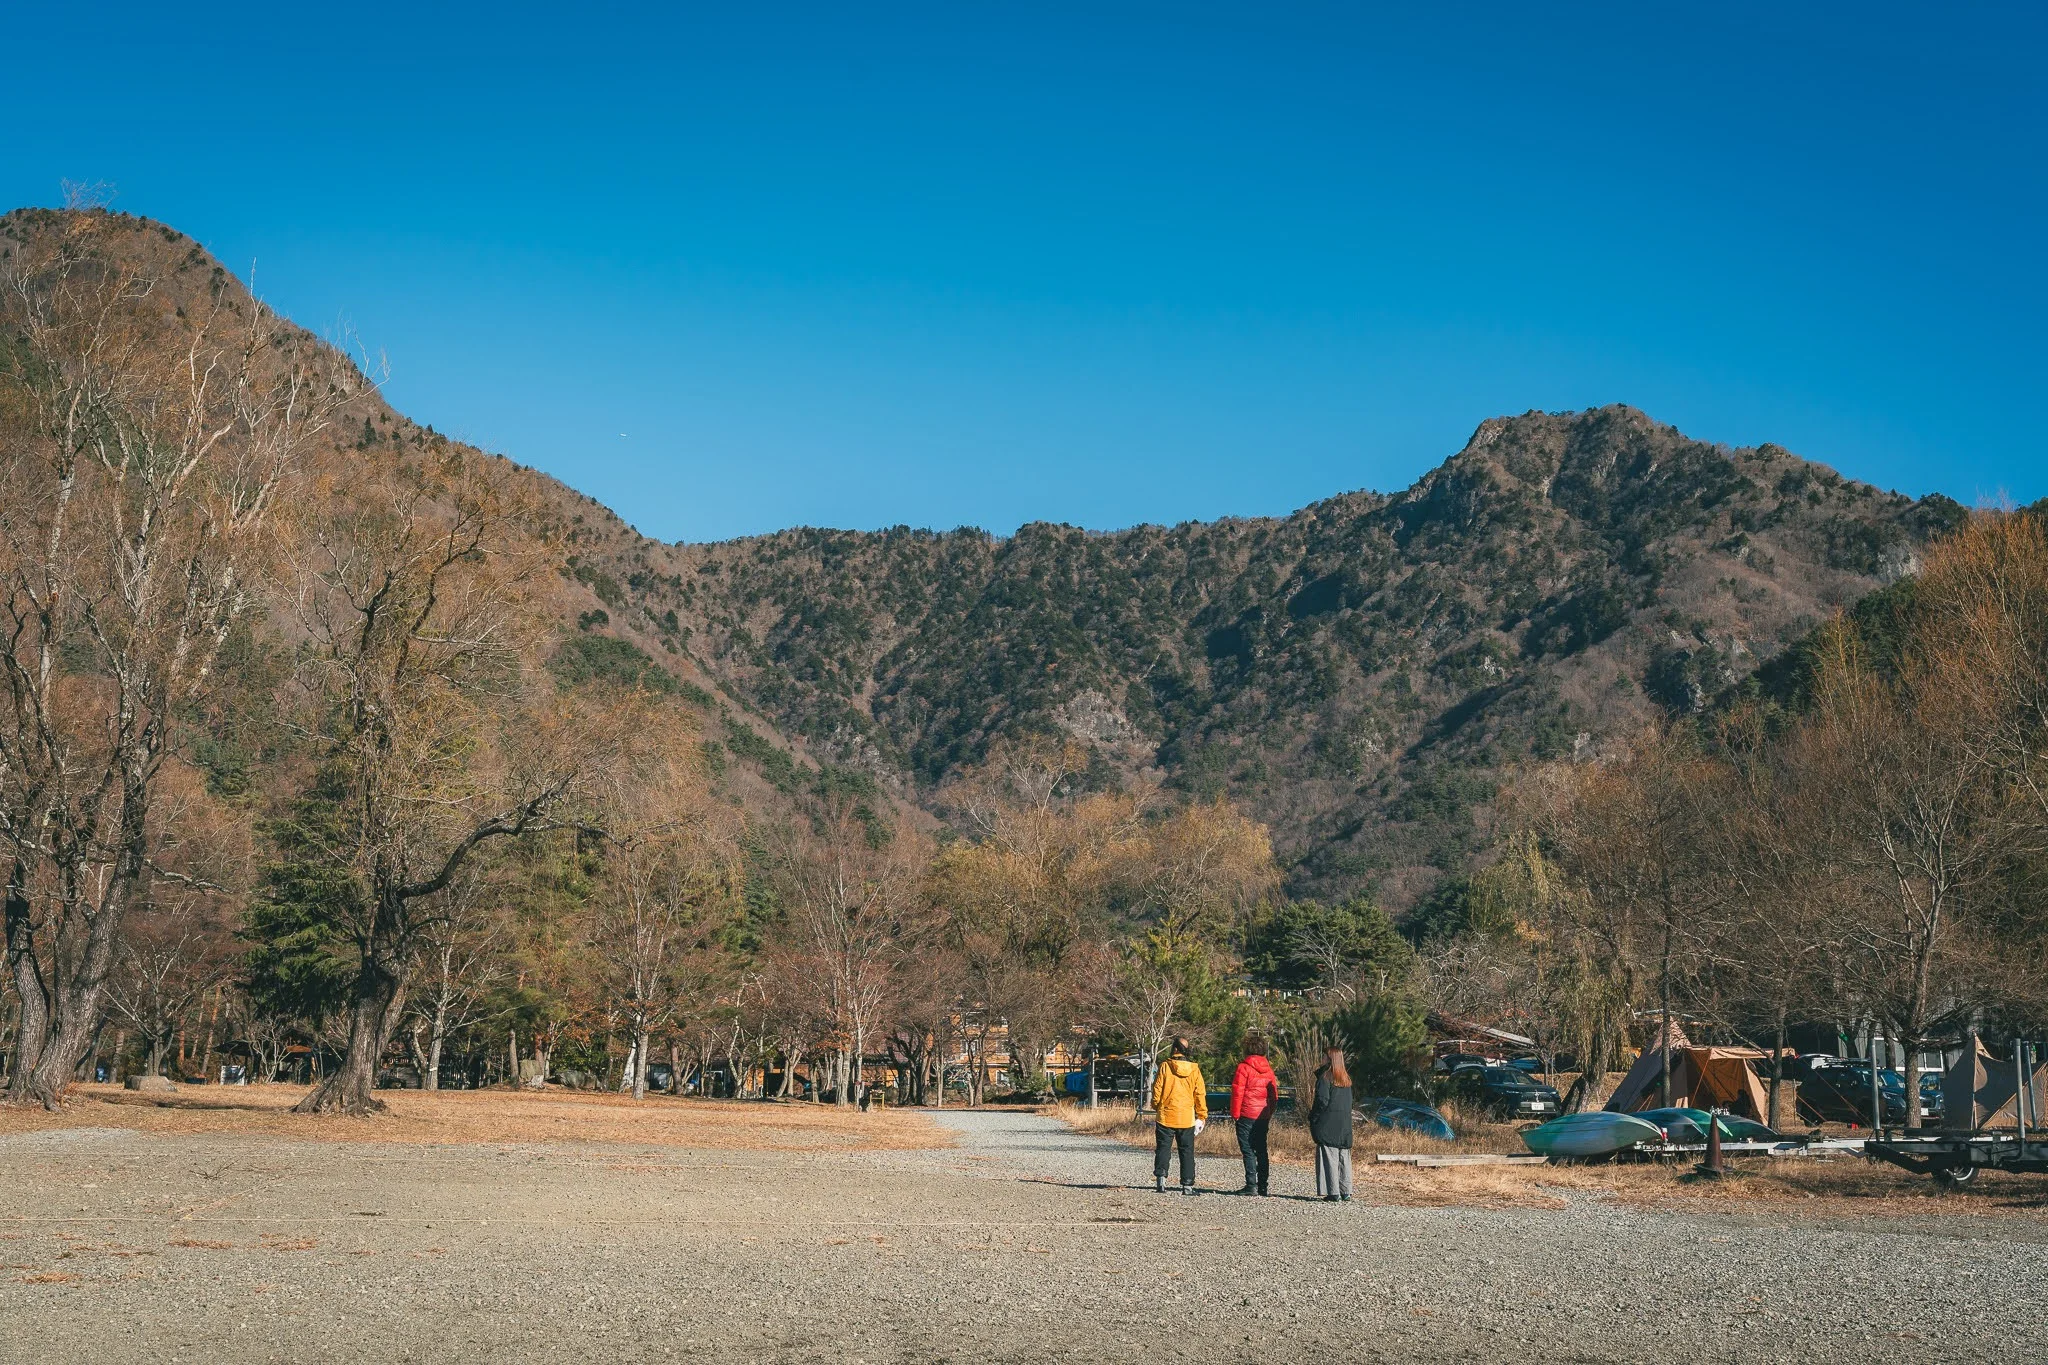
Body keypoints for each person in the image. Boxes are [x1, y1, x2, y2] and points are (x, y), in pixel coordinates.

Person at [1150, 1038, 1207, 1195]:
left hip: (1166, 1116)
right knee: (1187, 1151)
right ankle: (1187, 1186)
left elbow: (1157, 1089)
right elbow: (1200, 1094)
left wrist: (1157, 1106)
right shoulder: (1194, 1069)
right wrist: (1202, 1115)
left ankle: (1161, 1182)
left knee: (1163, 1149)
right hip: (1186, 1117)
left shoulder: (1165, 1067)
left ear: (1174, 1049)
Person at [1229, 1036, 1279, 1196]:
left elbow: (1238, 1092)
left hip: (1246, 1114)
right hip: (1262, 1115)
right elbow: (1273, 1095)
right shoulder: (1269, 1070)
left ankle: (1251, 1184)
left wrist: (1235, 1113)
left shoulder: (1243, 1068)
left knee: (1248, 1149)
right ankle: (1263, 1185)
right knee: (1261, 1149)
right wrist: (1269, 1111)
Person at [1308, 1046, 1354, 1202]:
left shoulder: (1325, 1078)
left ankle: (1333, 1192)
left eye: (1324, 1057)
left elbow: (1322, 1101)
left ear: (1329, 1059)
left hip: (1327, 1123)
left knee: (1329, 1156)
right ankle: (1346, 1191)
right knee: (1343, 1158)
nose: (1321, 1059)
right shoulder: (1346, 1079)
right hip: (1344, 1124)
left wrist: (1313, 1117)